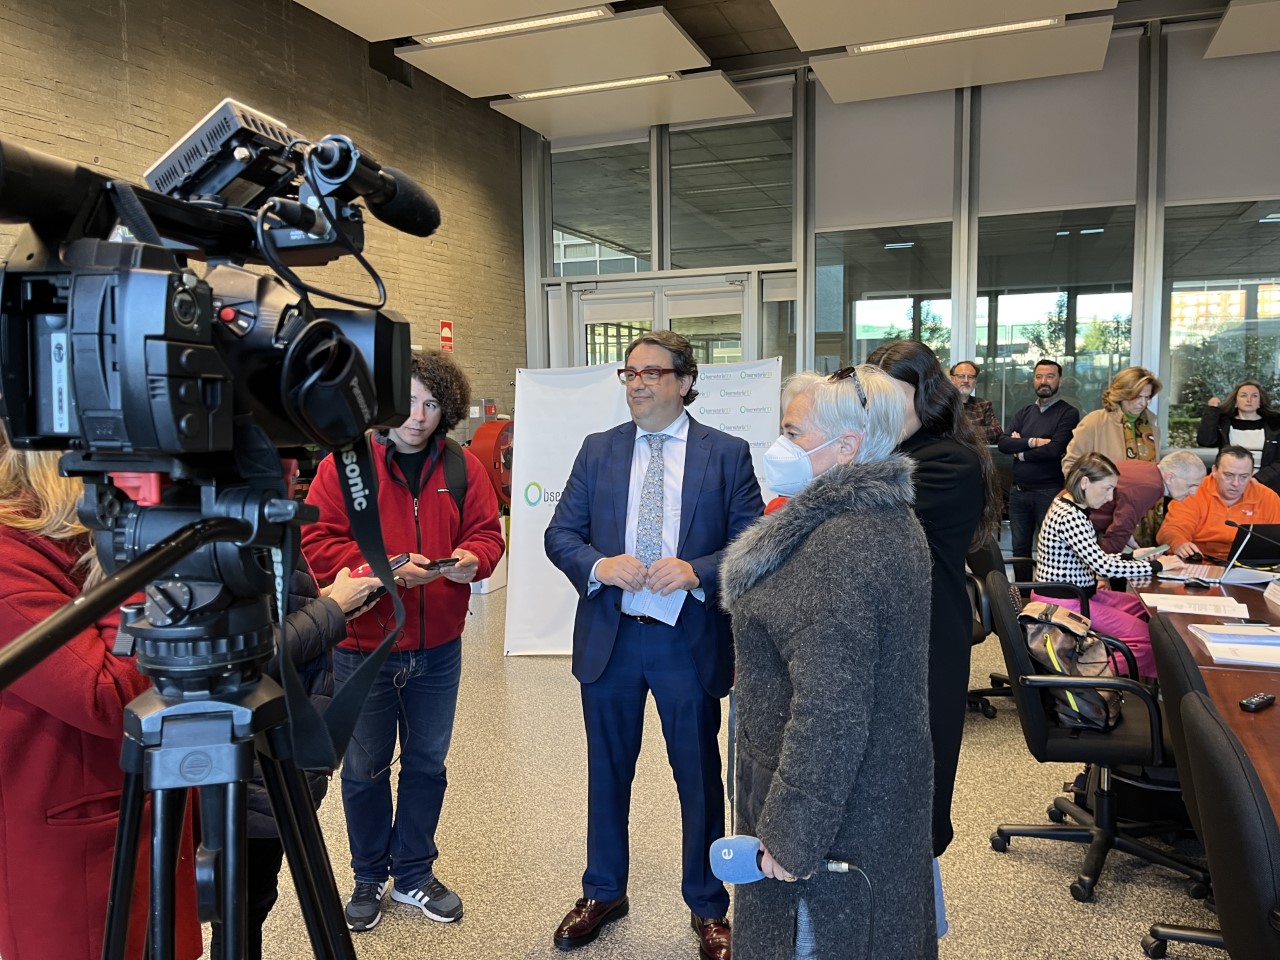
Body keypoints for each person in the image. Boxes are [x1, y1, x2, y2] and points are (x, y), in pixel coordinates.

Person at [544, 331, 763, 960]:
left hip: (684, 642)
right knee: (607, 772)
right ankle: (604, 890)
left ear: (685, 381)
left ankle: (708, 905)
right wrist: (597, 565)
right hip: (612, 638)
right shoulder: (599, 450)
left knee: (696, 776)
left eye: (652, 373)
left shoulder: (726, 454)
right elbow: (562, 533)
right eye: (630, 373)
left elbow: (753, 544)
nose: (638, 384)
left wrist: (697, 570)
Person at [720, 364, 936, 960]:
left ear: (846, 447)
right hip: (873, 790)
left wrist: (789, 839)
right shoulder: (875, 519)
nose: (780, 446)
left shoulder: (840, 546)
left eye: (795, 433)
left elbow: (830, 711)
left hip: (831, 813)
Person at [302, 349, 505, 932]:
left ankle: (413, 873)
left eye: (433, 404)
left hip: (439, 647)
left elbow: (487, 535)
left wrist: (473, 560)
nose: (419, 416)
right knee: (364, 768)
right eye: (409, 401)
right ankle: (368, 875)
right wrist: (385, 569)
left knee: (425, 764)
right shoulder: (344, 466)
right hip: (363, 647)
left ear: (448, 410)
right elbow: (319, 545)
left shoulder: (463, 466)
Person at [0, 440, 202, 960]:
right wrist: (137, 564)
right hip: (77, 850)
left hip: (141, 805)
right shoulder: (10, 556)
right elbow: (105, 694)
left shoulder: (73, 536)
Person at [206, 561, 379, 960]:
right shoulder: (212, 536)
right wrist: (330, 609)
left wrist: (332, 606)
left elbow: (271, 616)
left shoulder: (251, 521)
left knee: (254, 901)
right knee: (241, 909)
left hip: (278, 744)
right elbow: (229, 663)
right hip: (246, 755)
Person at [868, 340, 1000, 860]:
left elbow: (864, 522)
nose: (877, 411)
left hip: (924, 639)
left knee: (912, 796)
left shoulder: (947, 461)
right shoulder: (887, 452)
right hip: (886, 634)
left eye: (889, 396)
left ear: (925, 395)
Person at [1035, 453, 1184, 676]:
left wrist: (1133, 557)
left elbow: (1095, 556)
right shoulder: (1070, 516)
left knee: (1143, 609)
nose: (1110, 497)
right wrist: (1157, 566)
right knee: (1146, 637)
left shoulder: (1070, 507)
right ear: (1085, 483)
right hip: (1065, 599)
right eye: (1107, 488)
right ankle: (1089, 677)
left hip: (1078, 593)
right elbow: (1102, 567)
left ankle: (1111, 665)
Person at [997, 359, 1081, 579]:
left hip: (1048, 492)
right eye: (1039, 376)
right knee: (1020, 550)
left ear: (1060, 380)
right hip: (1018, 493)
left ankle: (1046, 597)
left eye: (1050, 376)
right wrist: (1034, 441)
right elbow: (1004, 443)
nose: (1044, 381)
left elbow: (1055, 450)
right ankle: (1022, 599)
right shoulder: (1024, 412)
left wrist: (1021, 448)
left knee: (1050, 549)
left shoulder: (1068, 413)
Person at [1157, 445, 1280, 561]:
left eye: (1243, 477)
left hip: (1249, 565)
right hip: (1199, 560)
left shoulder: (1268, 498)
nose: (1235, 483)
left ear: (1252, 474)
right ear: (1215, 471)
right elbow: (1171, 529)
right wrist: (1179, 544)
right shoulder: (1194, 490)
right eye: (1229, 475)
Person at [1087, 451, 1207, 553]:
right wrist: (1102, 574)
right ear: (1170, 477)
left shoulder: (1150, 471)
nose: (1194, 492)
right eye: (1192, 485)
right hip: (1077, 525)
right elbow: (1118, 532)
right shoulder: (1150, 487)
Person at [1062, 366, 1162, 476]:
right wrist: (1092, 491)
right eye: (1137, 397)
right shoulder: (1094, 422)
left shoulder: (1151, 426)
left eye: (1147, 397)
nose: (1143, 403)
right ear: (1122, 395)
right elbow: (1071, 464)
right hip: (1104, 493)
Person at [1196, 380, 1280, 491]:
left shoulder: (1275, 426)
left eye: (1254, 396)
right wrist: (1212, 410)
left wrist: (1257, 480)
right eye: (1244, 395)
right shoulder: (1224, 425)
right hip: (1229, 487)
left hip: (1265, 487)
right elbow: (1205, 441)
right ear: (1235, 401)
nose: (1249, 399)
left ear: (1260, 401)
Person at [950, 360, 1001, 443]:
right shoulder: (942, 404)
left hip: (976, 454)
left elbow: (996, 432)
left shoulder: (984, 405)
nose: (966, 380)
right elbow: (938, 434)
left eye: (970, 377)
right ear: (952, 379)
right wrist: (977, 431)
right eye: (961, 376)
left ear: (975, 381)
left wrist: (960, 430)